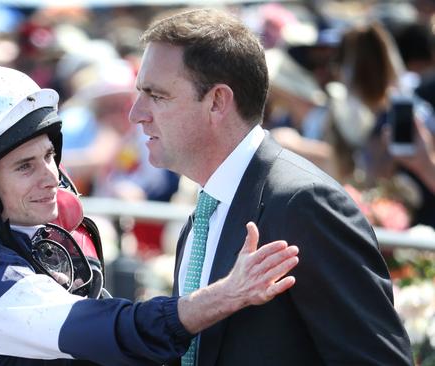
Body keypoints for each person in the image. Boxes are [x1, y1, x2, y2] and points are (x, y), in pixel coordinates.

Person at [0, 64, 299, 365]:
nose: (52, 177)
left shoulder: (24, 236)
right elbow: (96, 330)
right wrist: (225, 295)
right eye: (24, 166)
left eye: (50, 156)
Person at [128, 8, 413, 365]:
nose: (137, 113)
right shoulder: (209, 207)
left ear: (217, 101)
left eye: (157, 95)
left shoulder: (304, 203)